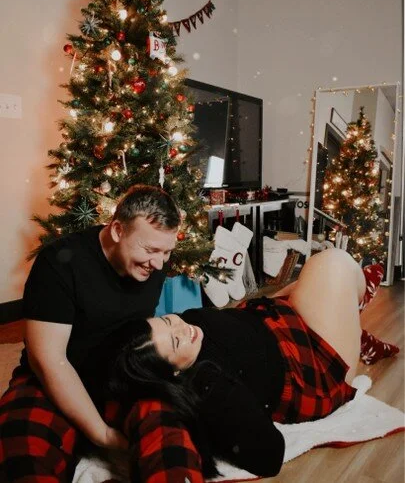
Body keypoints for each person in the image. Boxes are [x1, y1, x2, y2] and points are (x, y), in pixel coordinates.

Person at [103, 249, 398, 479]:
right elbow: (269, 455)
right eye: (175, 342)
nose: (182, 329)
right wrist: (207, 383)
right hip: (310, 365)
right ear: (174, 372)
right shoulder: (206, 385)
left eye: (168, 321)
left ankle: (354, 319)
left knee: (311, 279)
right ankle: (357, 310)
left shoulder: (179, 338)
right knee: (333, 262)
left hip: (278, 318)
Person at [0, 184, 206, 483]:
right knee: (20, 444)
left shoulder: (155, 260)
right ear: (118, 230)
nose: (159, 263)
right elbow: (48, 360)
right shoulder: (59, 262)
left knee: (170, 432)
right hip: (56, 375)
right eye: (150, 250)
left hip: (123, 373)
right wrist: (102, 434)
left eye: (167, 252)